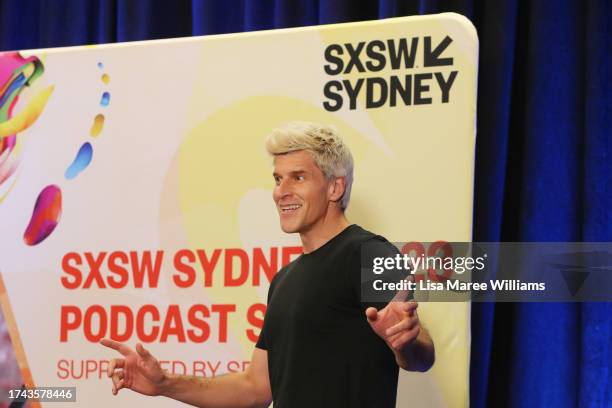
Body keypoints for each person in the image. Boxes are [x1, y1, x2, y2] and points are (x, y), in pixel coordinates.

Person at [101, 121, 435, 407]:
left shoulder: (369, 254)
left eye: (298, 178)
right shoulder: (285, 279)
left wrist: (406, 342)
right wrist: (164, 384)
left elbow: (424, 355)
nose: (281, 192)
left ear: (335, 187)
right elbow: (255, 387)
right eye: (278, 179)